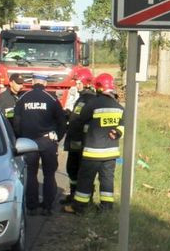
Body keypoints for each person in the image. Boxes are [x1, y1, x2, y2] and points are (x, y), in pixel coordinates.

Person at [67, 72, 123, 214]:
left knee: (85, 179)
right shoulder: (119, 107)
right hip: (111, 152)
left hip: (93, 151)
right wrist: (117, 132)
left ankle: (79, 208)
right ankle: (106, 208)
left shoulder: (93, 104)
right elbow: (123, 126)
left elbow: (79, 121)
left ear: (98, 87)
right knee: (107, 179)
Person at [12, 73, 66, 215]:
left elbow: (16, 121)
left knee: (31, 174)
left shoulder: (23, 98)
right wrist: (57, 138)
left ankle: (32, 207)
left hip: (28, 142)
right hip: (48, 142)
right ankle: (47, 207)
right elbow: (62, 122)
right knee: (49, 174)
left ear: (33, 82)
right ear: (45, 84)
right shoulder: (52, 99)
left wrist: (20, 137)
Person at [60, 67, 95, 206]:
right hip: (75, 141)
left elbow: (87, 121)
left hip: (82, 142)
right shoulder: (82, 98)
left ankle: (83, 200)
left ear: (86, 82)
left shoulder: (90, 99)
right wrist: (69, 115)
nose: (76, 84)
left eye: (78, 82)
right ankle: (73, 194)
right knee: (72, 168)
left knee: (81, 171)